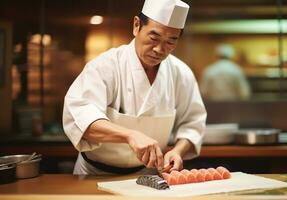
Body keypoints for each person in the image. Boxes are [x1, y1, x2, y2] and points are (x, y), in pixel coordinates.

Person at [62, 0, 206, 175]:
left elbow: (193, 123)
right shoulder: (105, 66)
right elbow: (80, 118)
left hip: (149, 175)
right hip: (95, 175)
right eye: (154, 38)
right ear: (137, 25)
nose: (160, 49)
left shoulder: (180, 73)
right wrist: (129, 135)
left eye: (171, 41)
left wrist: (177, 151)